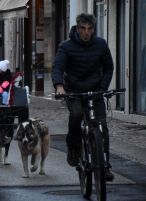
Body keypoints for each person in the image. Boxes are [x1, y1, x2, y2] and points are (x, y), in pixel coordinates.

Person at [52, 13, 114, 181]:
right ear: (77, 28)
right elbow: (58, 67)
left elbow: (108, 67)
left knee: (101, 125)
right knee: (77, 114)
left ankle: (105, 165)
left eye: (90, 29)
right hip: (74, 90)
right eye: (83, 29)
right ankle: (73, 147)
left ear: (93, 29)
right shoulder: (66, 46)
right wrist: (59, 86)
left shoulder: (100, 44)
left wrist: (102, 87)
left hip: (95, 90)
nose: (87, 32)